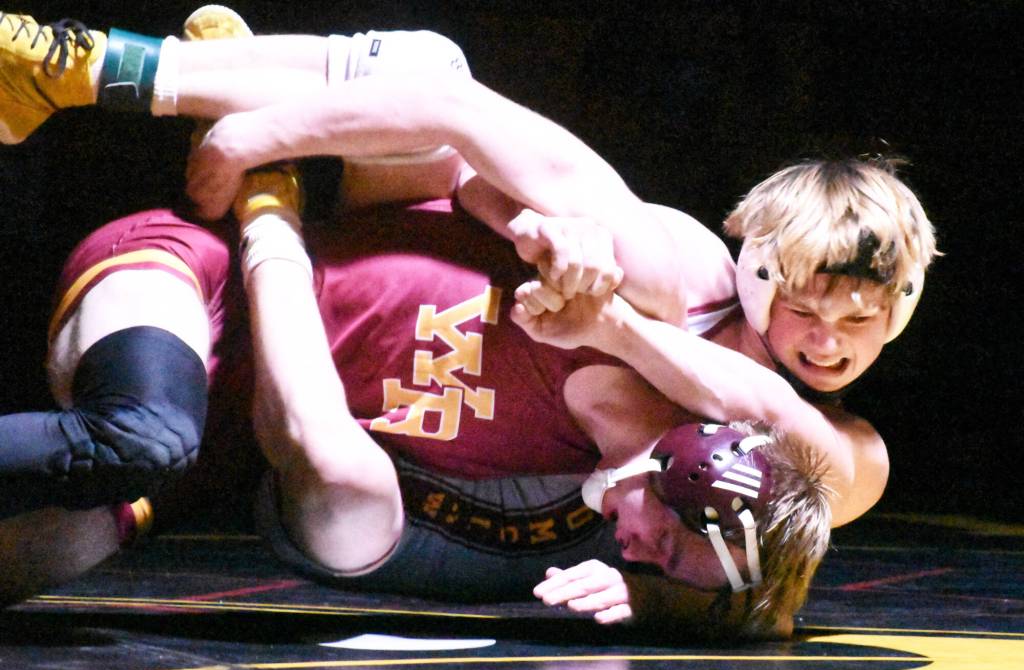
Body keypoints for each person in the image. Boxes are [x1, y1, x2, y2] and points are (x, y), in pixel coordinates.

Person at [0, 5, 929, 632]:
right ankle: (99, 66)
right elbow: (458, 130)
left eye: (861, 322)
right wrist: (257, 143)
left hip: (250, 402)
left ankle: (241, 138)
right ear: (757, 267)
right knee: (426, 64)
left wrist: (609, 333)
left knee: (157, 483)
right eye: (807, 308)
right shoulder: (671, 268)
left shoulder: (792, 454)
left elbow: (770, 516)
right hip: (208, 280)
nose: (826, 342)